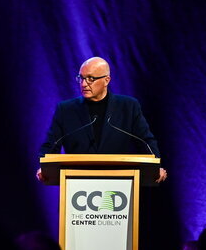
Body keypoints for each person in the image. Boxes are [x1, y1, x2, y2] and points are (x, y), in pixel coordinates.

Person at [37, 56, 166, 184]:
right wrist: (44, 168)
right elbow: (50, 145)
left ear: (106, 80)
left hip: (119, 181)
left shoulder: (128, 107)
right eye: (81, 78)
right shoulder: (65, 110)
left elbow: (146, 141)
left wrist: (155, 167)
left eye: (90, 79)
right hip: (77, 182)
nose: (83, 83)